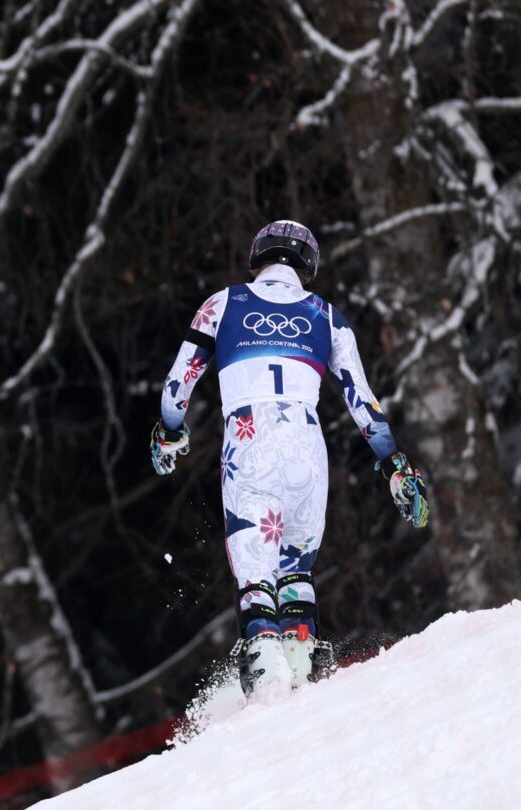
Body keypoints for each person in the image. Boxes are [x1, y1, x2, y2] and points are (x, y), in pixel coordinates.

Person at [149, 220, 429, 700]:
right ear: (308, 266)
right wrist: (396, 466)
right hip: (306, 440)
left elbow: (178, 386)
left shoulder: (223, 303)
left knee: (257, 572)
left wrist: (169, 433)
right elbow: (364, 403)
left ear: (259, 257)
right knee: (297, 568)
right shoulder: (328, 316)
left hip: (249, 437)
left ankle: (263, 674)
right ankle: (300, 665)